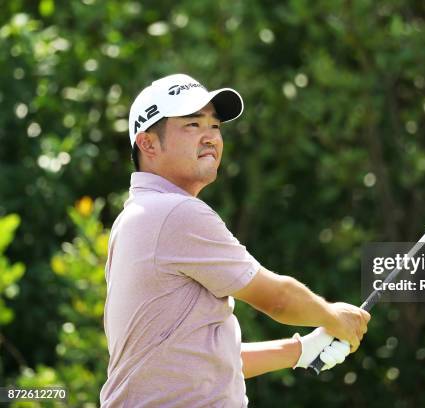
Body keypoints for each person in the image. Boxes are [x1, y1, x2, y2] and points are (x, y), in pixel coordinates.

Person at [100, 73, 370, 407]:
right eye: (192, 125)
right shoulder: (175, 213)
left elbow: (195, 363)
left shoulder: (139, 215)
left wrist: (299, 351)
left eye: (214, 126)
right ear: (148, 143)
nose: (210, 137)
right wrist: (333, 316)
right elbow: (278, 300)